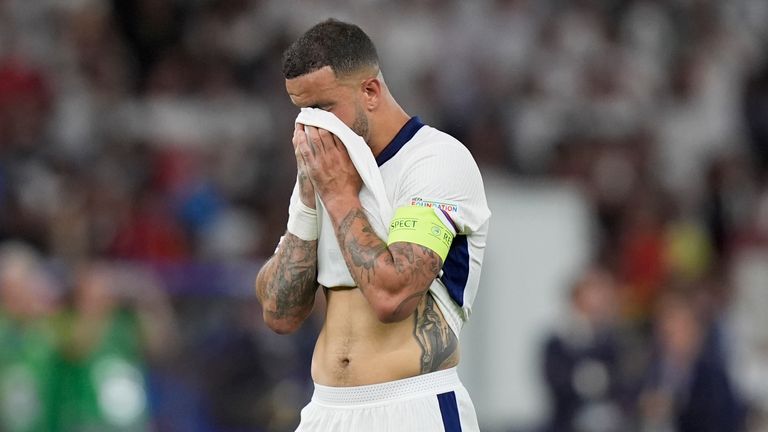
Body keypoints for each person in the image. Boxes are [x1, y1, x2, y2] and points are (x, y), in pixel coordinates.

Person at [255, 19, 490, 431]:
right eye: (302, 111)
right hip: (325, 408)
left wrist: (340, 196)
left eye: (324, 108)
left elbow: (391, 297)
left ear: (370, 91)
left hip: (411, 405)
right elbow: (279, 313)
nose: (313, 126)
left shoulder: (435, 161)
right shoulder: (325, 171)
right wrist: (311, 204)